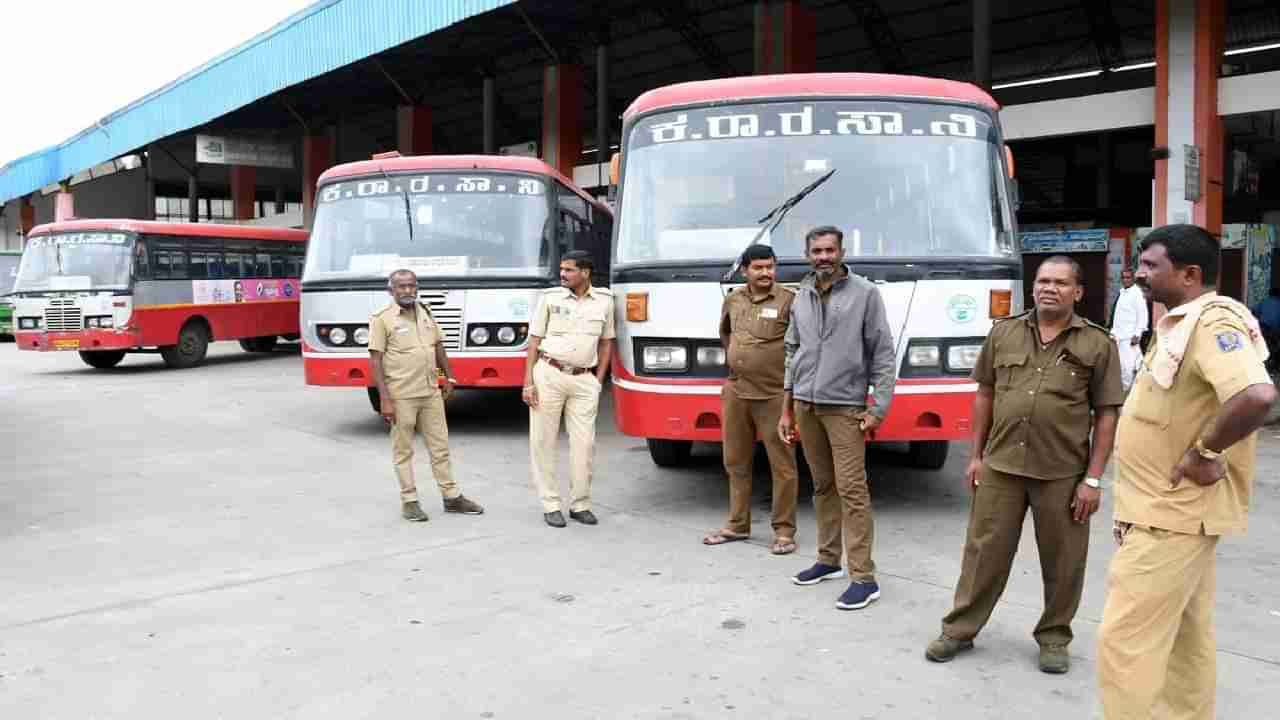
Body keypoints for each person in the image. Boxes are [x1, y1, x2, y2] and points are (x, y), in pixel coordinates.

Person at [1097, 224, 1276, 719]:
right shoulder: (1181, 323)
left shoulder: (1213, 321)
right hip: (1165, 513)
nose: (1139, 274)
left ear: (1191, 274)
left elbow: (1256, 394)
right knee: (1184, 640)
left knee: (1125, 643)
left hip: (1171, 517)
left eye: (1152, 265)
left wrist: (1204, 452)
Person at [925, 256, 1122, 674]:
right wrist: (975, 456)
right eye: (1043, 281)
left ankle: (1054, 636)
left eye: (1060, 283)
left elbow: (1107, 414)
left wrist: (1093, 479)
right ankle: (960, 629)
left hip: (1063, 473)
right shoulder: (1004, 332)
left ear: (1078, 292)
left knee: (1064, 561)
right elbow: (985, 395)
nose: (1049, 288)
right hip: (1000, 467)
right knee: (983, 555)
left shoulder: (1097, 344)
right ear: (1033, 287)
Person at [777, 226, 895, 611]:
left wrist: (878, 408)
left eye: (830, 250)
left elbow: (882, 353)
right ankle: (829, 561)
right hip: (805, 405)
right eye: (816, 250)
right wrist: (787, 406)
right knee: (822, 487)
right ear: (807, 254)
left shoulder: (865, 293)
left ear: (841, 251)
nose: (823, 256)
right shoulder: (802, 296)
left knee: (852, 490)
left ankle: (864, 577)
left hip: (845, 407)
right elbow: (792, 351)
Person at [702, 244, 799, 555]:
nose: (765, 273)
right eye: (758, 268)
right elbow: (726, 334)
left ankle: (784, 531)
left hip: (773, 395)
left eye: (770, 267)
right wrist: (740, 357)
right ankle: (737, 525)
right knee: (735, 461)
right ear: (745, 271)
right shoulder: (733, 299)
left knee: (782, 465)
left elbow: (801, 346)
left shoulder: (789, 301)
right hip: (736, 391)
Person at [369, 269, 485, 522]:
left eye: (411, 285)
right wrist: (385, 400)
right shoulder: (382, 319)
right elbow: (375, 362)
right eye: (401, 286)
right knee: (403, 450)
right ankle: (409, 500)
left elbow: (438, 348)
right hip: (401, 396)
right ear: (391, 290)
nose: (408, 290)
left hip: (431, 393)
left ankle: (451, 497)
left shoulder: (426, 312)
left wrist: (448, 376)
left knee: (440, 447)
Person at [523, 250, 615, 528]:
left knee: (584, 444)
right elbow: (534, 341)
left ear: (585, 273)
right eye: (562, 269)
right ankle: (550, 503)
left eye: (569, 270)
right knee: (543, 441)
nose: (562, 274)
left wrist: (598, 380)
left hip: (584, 380)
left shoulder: (605, 301)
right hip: (549, 374)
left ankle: (580, 504)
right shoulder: (550, 299)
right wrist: (528, 382)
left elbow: (606, 341)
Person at [1110, 268, 1149, 392]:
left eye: (1128, 277)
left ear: (1133, 279)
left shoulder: (1137, 293)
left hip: (1130, 336)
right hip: (1118, 335)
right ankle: (1135, 389)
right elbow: (1117, 315)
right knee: (1130, 364)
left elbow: (1143, 314)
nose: (1125, 280)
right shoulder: (1122, 292)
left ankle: (1127, 391)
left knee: (1128, 366)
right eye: (1123, 277)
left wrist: (1137, 334)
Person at [1252, 286, 1280, 371]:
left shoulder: (1265, 301)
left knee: (1262, 345)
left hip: (1263, 327)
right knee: (1275, 347)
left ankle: (1263, 364)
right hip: (1275, 330)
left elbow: (1253, 311)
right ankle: (1273, 365)